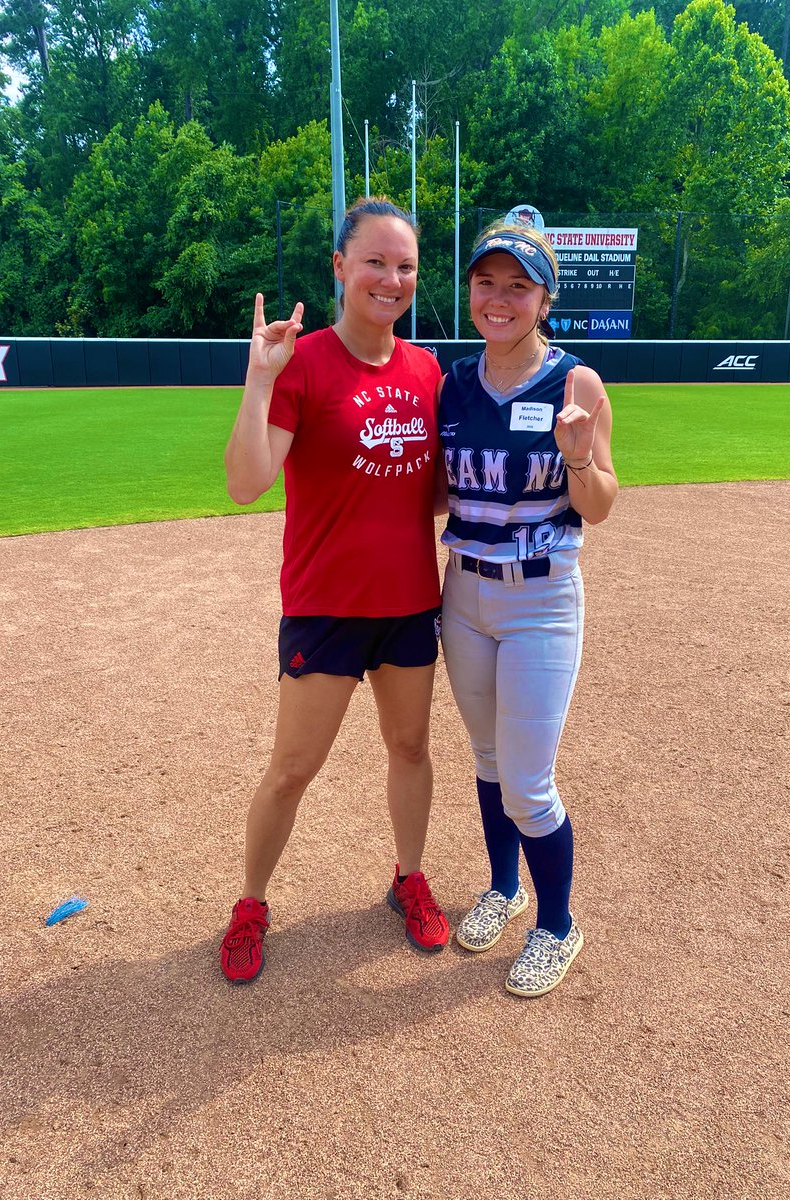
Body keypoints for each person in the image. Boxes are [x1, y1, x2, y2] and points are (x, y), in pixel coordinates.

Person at [220, 196, 449, 985]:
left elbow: (443, 490)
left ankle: (407, 879)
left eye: (406, 265)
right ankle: (251, 903)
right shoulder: (303, 362)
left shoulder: (427, 373)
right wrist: (258, 380)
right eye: (376, 262)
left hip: (412, 604)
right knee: (291, 768)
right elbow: (247, 483)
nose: (391, 278)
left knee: (411, 748)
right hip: (325, 605)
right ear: (340, 268)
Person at [438, 221, 618, 998]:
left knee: (527, 783)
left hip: (541, 599)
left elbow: (601, 504)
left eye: (519, 285)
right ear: (470, 290)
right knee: (485, 759)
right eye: (487, 282)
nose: (500, 298)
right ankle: (504, 889)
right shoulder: (452, 382)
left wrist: (578, 457)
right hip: (465, 592)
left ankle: (557, 924)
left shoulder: (577, 384)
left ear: (545, 297)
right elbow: (435, 489)